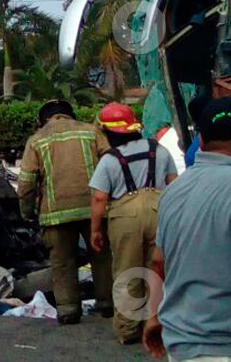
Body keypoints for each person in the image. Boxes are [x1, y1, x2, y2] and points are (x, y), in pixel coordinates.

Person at [144, 97, 231, 361]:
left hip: (181, 346)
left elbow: (158, 262)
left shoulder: (173, 192)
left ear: (201, 142)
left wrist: (152, 318)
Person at [17, 99, 114, 325]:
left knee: (62, 262)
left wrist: (27, 213)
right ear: (71, 114)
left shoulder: (37, 140)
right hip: (94, 209)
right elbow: (112, 165)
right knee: (101, 256)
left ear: (43, 120)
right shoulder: (92, 132)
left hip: (55, 215)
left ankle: (68, 309)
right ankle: (107, 303)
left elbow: (27, 183)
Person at [88, 103, 178, 345]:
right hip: (159, 211)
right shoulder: (159, 150)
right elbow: (174, 184)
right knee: (158, 270)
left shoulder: (109, 159)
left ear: (107, 132)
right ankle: (159, 325)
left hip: (124, 217)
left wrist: (95, 230)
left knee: (127, 271)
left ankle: (128, 330)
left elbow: (99, 198)